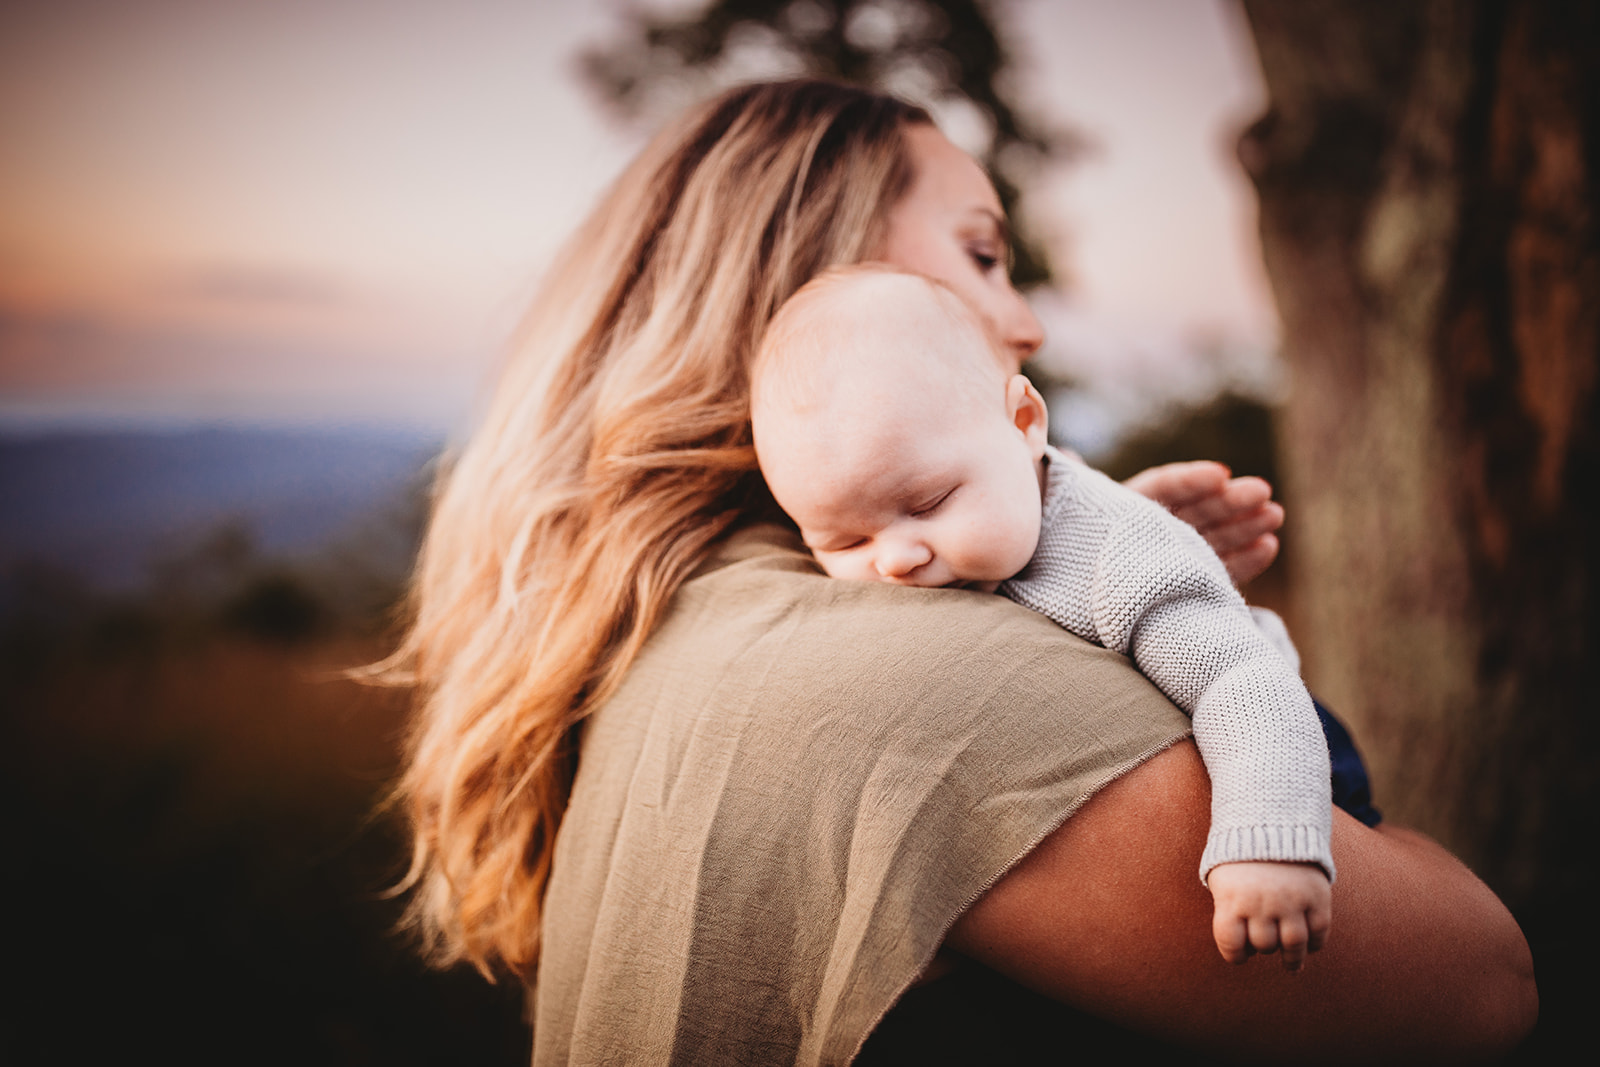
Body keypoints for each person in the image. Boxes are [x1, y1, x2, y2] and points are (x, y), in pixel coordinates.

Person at [387, 79, 1536, 1064]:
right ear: (809, 278)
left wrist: (1104, 550)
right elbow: (1481, 987)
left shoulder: (674, 628)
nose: (1021, 317)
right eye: (982, 254)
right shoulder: (896, 676)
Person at [751, 264, 1334, 971]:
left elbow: (1242, 680)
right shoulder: (973, 520)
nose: (896, 558)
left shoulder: (1124, 557)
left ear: (1025, 422)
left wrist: (1269, 840)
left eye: (931, 502)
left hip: (1280, 758)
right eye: (844, 540)